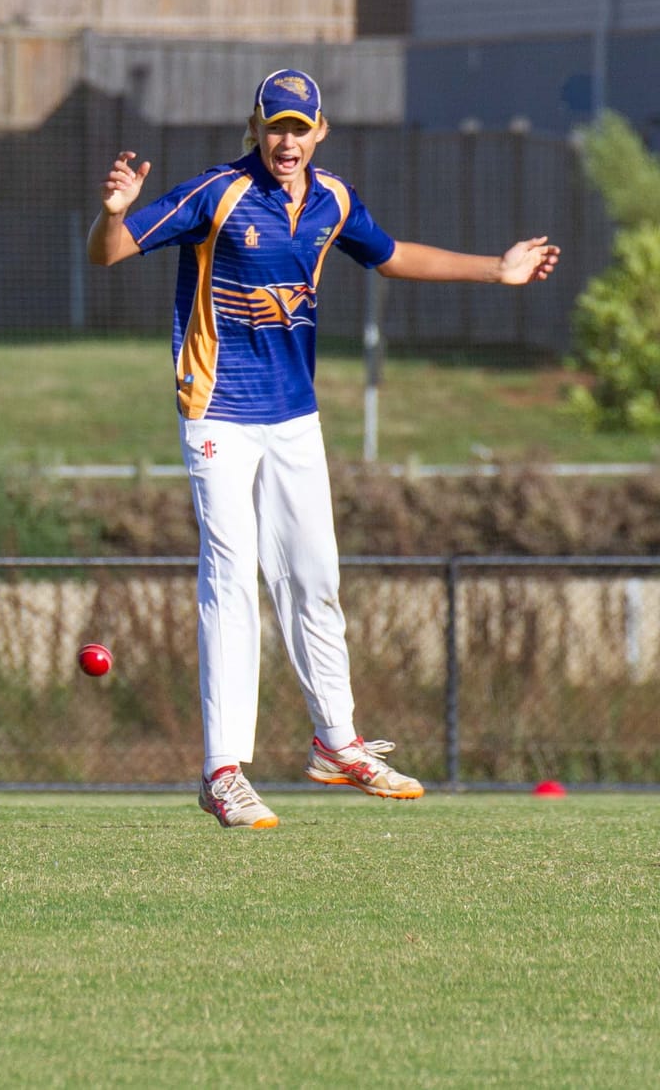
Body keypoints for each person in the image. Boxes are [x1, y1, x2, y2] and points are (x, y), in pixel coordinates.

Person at [87, 69, 558, 829]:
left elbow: (393, 252)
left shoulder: (331, 199)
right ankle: (222, 770)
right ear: (257, 126)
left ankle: (336, 744)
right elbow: (108, 254)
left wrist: (494, 270)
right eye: (276, 125)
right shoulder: (217, 193)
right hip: (218, 414)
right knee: (233, 576)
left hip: (293, 417)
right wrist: (112, 215)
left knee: (315, 578)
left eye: (300, 127)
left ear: (319, 132)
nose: (287, 139)